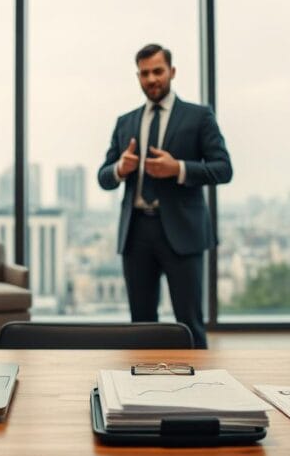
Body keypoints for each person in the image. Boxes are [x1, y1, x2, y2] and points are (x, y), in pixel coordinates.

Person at [97, 44, 232, 349]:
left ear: (171, 72)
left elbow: (224, 169)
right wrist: (121, 167)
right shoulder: (126, 122)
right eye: (144, 73)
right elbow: (104, 176)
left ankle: (203, 390)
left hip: (182, 231)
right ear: (138, 77)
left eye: (157, 71)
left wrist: (178, 168)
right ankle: (139, 389)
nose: (151, 79)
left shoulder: (198, 117)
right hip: (136, 233)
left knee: (189, 323)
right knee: (141, 324)